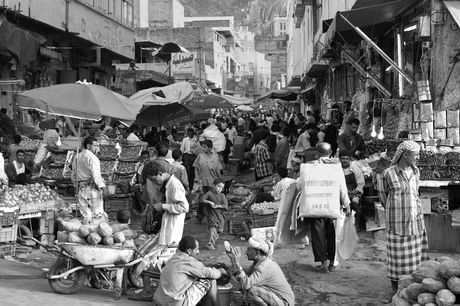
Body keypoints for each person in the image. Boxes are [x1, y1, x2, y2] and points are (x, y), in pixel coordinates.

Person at [378, 140, 428, 297]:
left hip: (416, 221)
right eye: (415, 155)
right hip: (397, 223)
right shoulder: (388, 174)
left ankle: (414, 288)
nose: (417, 158)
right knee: (396, 259)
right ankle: (395, 290)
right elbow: (383, 197)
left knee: (416, 259)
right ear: (405, 155)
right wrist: (396, 211)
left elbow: (416, 193)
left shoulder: (416, 172)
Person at [298, 142, 350, 273]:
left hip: (315, 206)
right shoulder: (336, 167)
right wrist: (347, 204)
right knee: (333, 234)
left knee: (318, 235)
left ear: (317, 153)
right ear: (331, 152)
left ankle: (323, 263)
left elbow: (300, 186)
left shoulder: (309, 167)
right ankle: (333, 263)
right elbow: (342, 188)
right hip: (332, 206)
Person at [151, 236, 225, 305]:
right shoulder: (189, 262)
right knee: (211, 280)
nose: (198, 252)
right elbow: (209, 273)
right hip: (176, 303)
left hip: (161, 301)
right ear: (189, 250)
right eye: (196, 249)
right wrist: (220, 271)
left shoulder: (174, 258)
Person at [225, 237, 295, 306]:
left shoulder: (263, 267)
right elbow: (243, 277)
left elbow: (245, 285)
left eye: (249, 250)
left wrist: (238, 264)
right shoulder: (260, 261)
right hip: (276, 297)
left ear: (257, 252)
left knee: (252, 290)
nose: (246, 252)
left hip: (284, 302)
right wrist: (233, 259)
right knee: (248, 288)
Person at [143, 160, 189, 246]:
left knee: (170, 248)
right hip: (169, 223)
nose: (154, 182)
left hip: (174, 224)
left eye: (154, 179)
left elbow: (184, 207)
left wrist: (163, 206)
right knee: (165, 247)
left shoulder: (174, 185)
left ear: (160, 173)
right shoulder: (167, 184)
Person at [71, 137, 107, 224]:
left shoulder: (77, 157)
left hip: (82, 189)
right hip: (92, 189)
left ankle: (86, 231)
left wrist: (76, 185)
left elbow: (73, 174)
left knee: (86, 214)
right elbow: (96, 175)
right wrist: (102, 187)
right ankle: (95, 232)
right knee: (97, 213)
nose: (97, 148)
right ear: (88, 146)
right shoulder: (93, 158)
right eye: (95, 146)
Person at [193, 139, 222, 223]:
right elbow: (195, 167)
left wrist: (220, 181)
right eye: (202, 146)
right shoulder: (200, 156)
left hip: (212, 182)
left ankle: (213, 218)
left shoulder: (215, 157)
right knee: (201, 200)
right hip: (202, 182)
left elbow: (218, 170)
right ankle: (199, 217)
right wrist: (196, 177)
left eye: (204, 147)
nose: (202, 148)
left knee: (213, 201)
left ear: (210, 148)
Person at [339, 150, 365, 231]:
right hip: (340, 194)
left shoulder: (355, 169)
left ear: (350, 159)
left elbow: (360, 183)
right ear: (340, 159)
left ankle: (356, 225)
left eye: (347, 159)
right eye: (343, 158)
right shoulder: (337, 170)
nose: (345, 161)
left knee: (356, 202)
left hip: (354, 193)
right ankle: (341, 226)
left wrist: (355, 192)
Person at [200, 178, 228, 250]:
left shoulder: (222, 195)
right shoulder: (209, 193)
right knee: (213, 228)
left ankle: (213, 236)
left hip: (220, 215)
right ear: (213, 185)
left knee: (220, 230)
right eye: (218, 186)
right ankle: (210, 244)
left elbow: (225, 205)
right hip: (211, 214)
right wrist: (209, 202)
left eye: (221, 188)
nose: (220, 189)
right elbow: (201, 199)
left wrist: (218, 206)